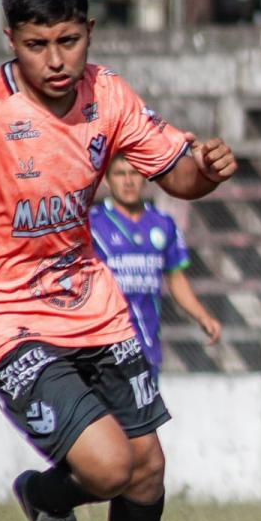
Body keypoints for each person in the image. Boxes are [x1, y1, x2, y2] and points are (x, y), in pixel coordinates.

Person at [0, 0, 237, 521]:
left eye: (69, 40)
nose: (56, 60)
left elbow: (174, 173)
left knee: (147, 465)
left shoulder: (107, 95)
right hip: (5, 315)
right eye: (37, 44)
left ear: (89, 31)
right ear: (10, 40)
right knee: (109, 464)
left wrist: (202, 169)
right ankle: (44, 494)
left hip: (92, 303)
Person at [90, 154, 222, 383]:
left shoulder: (162, 223)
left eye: (134, 173)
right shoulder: (92, 225)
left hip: (146, 347)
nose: (128, 181)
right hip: (103, 350)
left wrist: (202, 316)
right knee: (107, 418)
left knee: (144, 418)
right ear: (107, 180)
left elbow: (175, 277)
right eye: (120, 174)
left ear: (144, 177)